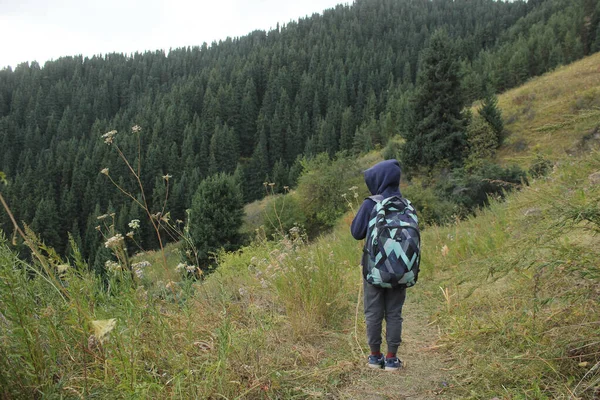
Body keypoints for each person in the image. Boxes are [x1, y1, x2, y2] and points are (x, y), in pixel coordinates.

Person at [351, 159, 406, 371]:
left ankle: (375, 357)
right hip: (400, 269)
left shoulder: (371, 203)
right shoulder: (405, 205)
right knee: (394, 312)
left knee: (373, 312)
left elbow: (356, 233)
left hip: (374, 268)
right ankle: (392, 358)